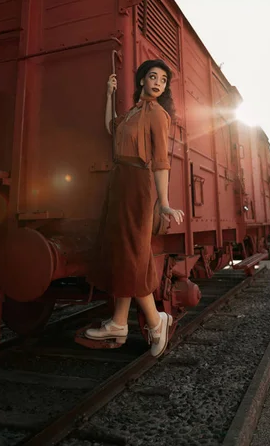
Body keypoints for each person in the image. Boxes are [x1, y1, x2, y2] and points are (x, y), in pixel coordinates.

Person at [85, 59, 184, 357]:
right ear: (142, 80)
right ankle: (119, 322)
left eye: (163, 80)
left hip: (137, 183)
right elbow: (110, 129)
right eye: (152, 76)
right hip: (120, 182)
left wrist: (164, 203)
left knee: (132, 253)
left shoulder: (157, 115)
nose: (157, 83)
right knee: (124, 252)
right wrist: (108, 94)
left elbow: (161, 161)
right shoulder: (132, 114)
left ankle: (155, 322)